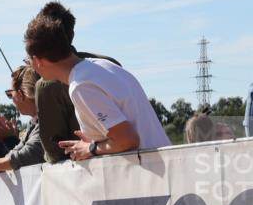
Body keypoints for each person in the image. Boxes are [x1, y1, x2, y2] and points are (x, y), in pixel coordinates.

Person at [24, 15, 170, 160]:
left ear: (37, 61)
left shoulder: (81, 86)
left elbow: (128, 140)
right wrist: (95, 143)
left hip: (149, 174)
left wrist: (90, 148)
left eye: (29, 59)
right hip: (162, 166)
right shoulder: (102, 65)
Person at [33, 1, 122, 163]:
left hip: (86, 172)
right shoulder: (109, 63)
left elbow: (54, 151)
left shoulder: (47, 85)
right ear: (72, 33)